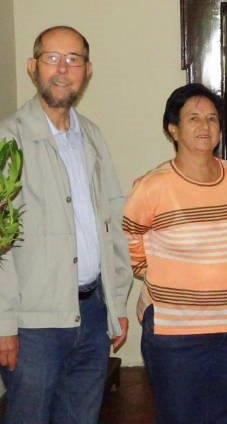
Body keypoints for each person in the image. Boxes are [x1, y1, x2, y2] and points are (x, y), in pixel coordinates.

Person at [0, 25, 132, 423]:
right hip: (34, 326)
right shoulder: (8, 141)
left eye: (74, 59)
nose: (62, 69)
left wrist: (116, 302)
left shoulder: (91, 136)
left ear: (87, 70)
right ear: (32, 67)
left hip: (92, 314)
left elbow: (112, 221)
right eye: (52, 58)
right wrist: (4, 323)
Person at [122, 83, 227, 424]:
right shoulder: (153, 185)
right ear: (173, 129)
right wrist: (148, 270)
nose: (205, 126)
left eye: (212, 118)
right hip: (176, 332)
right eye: (193, 118)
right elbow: (128, 235)